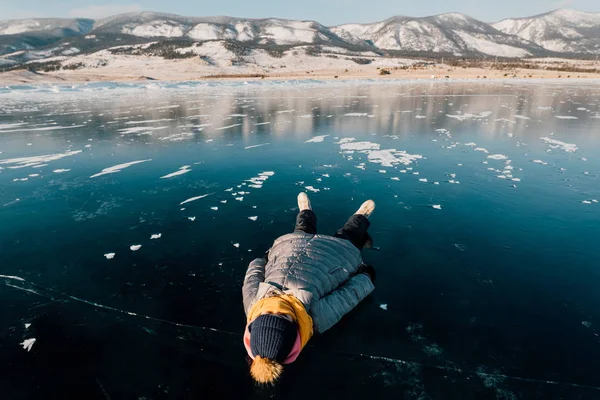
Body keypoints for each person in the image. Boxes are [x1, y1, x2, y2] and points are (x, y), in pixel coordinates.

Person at [242, 192, 377, 384]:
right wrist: (365, 278)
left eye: (268, 313)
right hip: (332, 257)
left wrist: (262, 261)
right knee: (348, 236)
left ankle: (305, 210)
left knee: (302, 229)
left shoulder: (253, 305)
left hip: (292, 250)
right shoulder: (317, 317)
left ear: (254, 323)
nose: (277, 308)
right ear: (295, 329)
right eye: (283, 317)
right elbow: (347, 297)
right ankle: (360, 217)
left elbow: (251, 279)